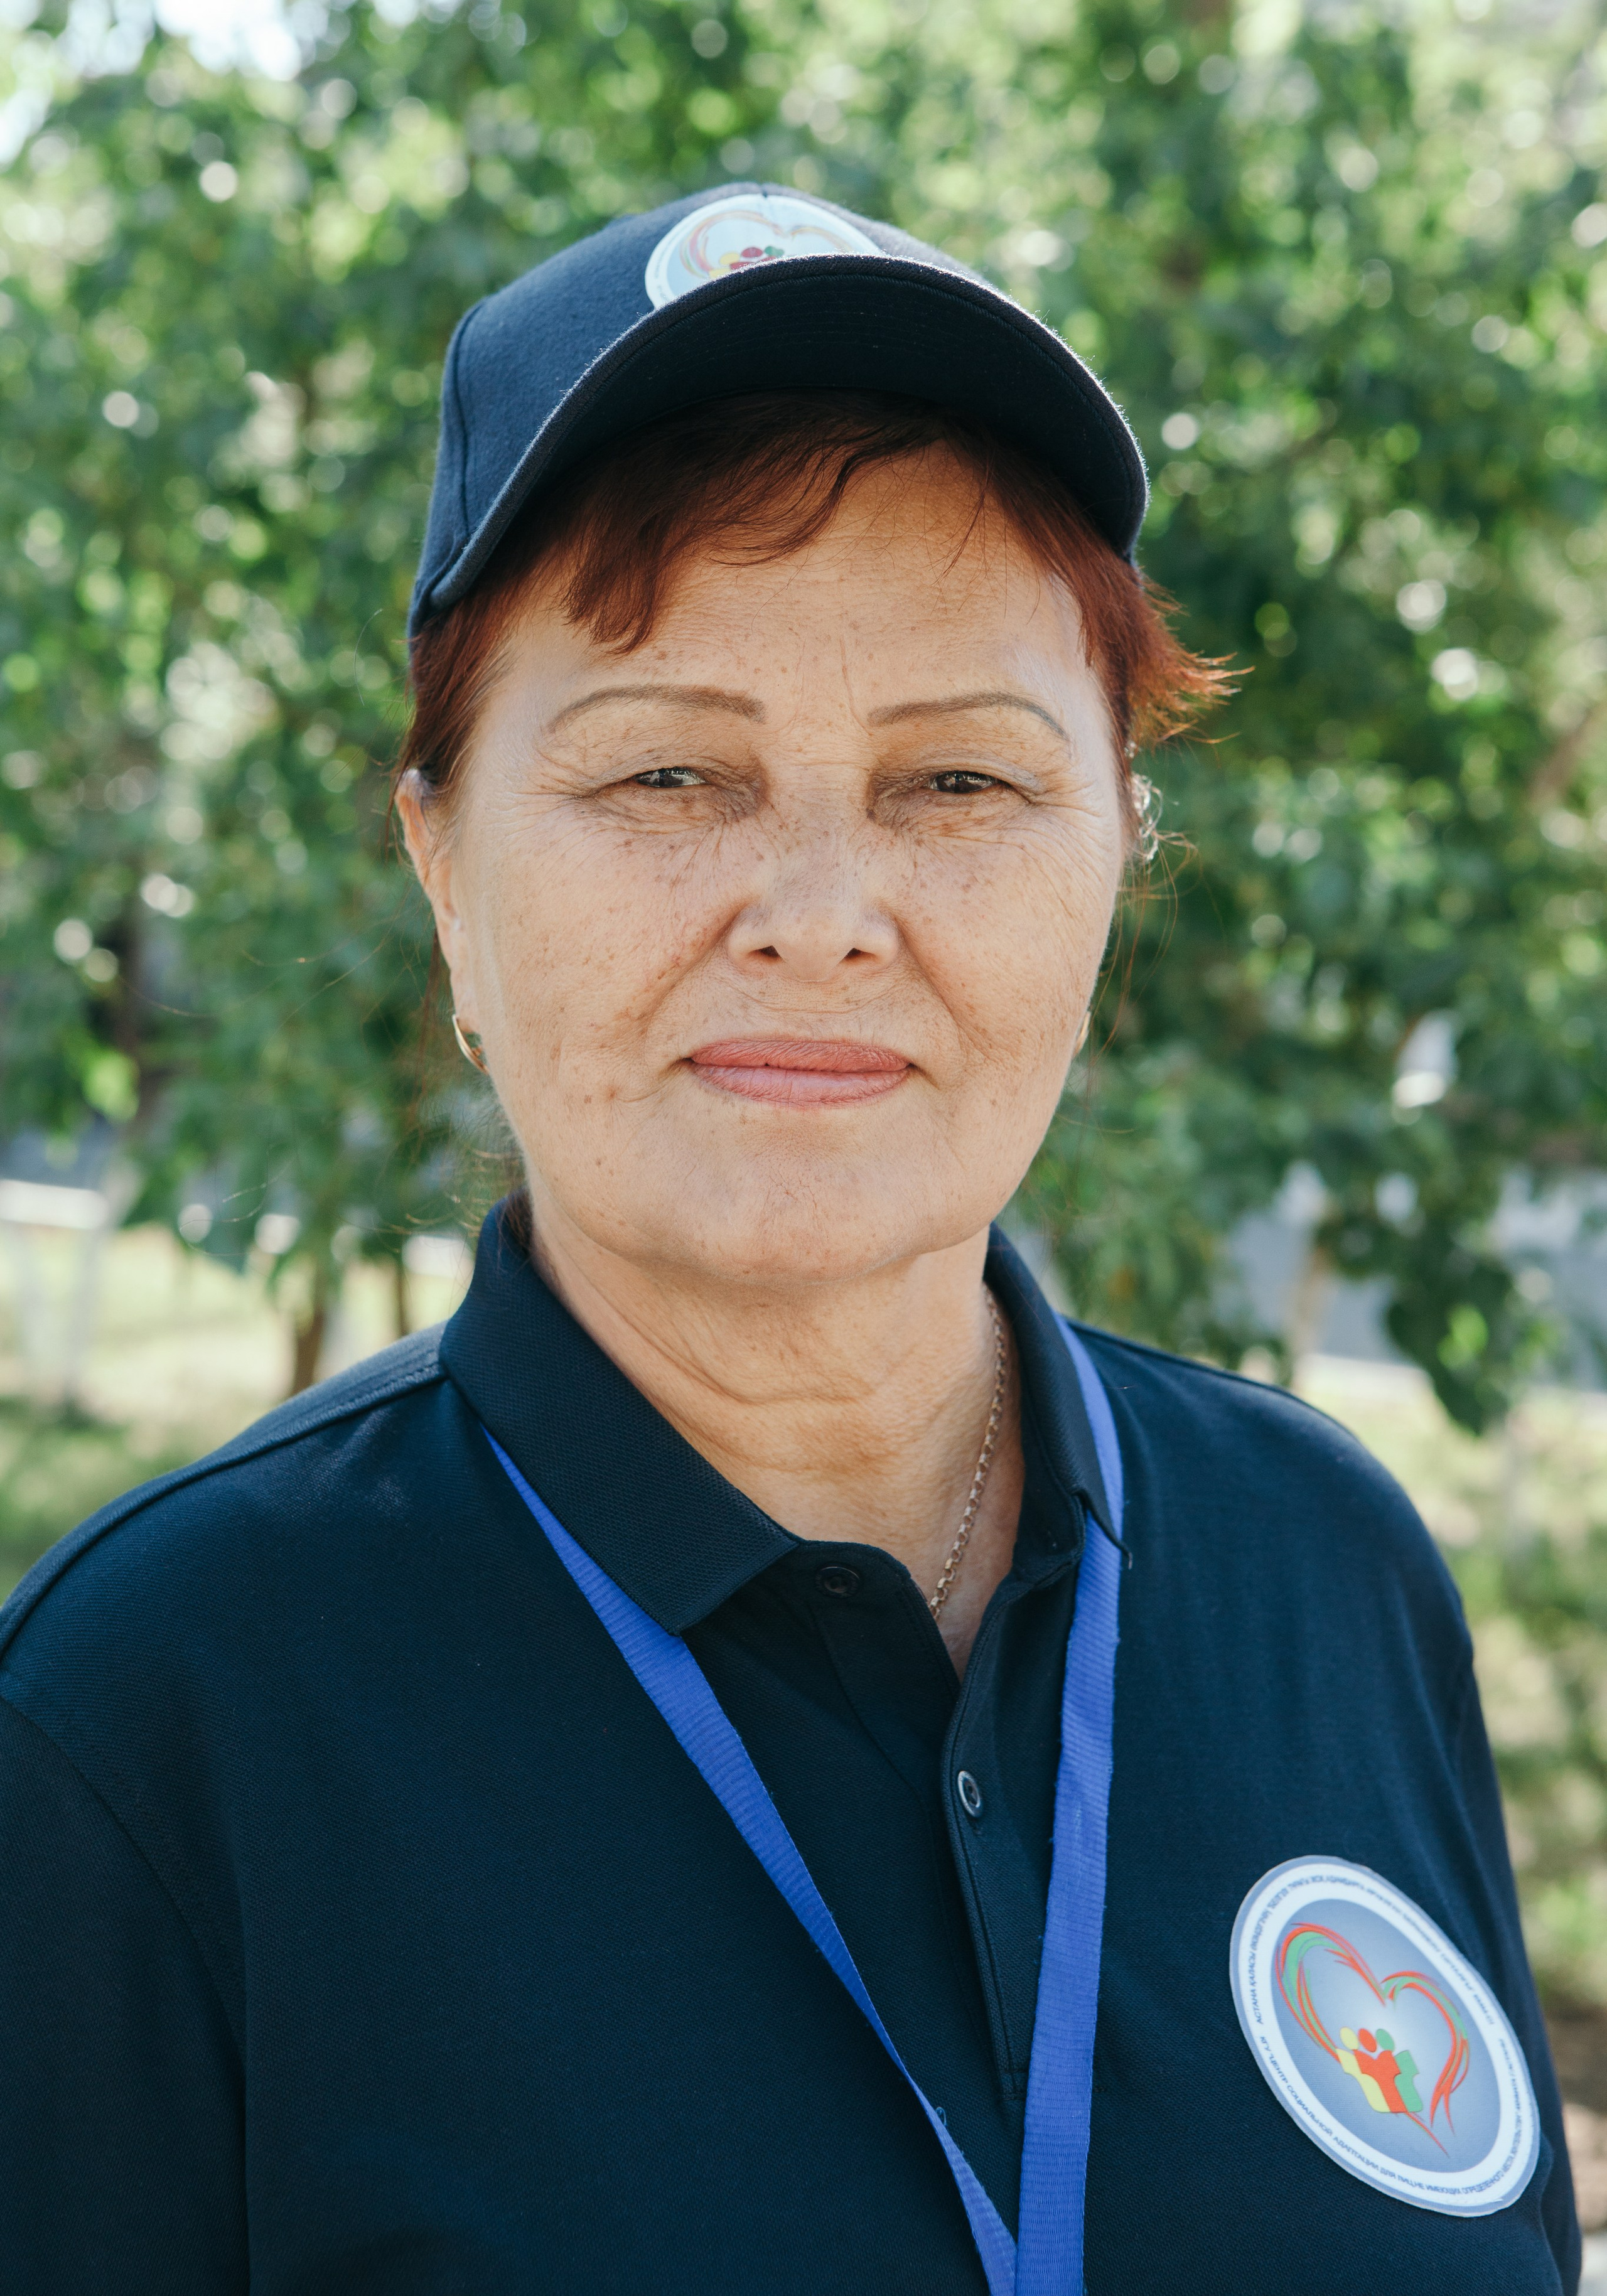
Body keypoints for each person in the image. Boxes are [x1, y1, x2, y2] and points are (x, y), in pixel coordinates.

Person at [0, 185, 1578, 2294]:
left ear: (1121, 849)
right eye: (667, 772)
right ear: (443, 868)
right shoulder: (140, 1724)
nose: (824, 909)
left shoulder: (1329, 1569)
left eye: (959, 785)